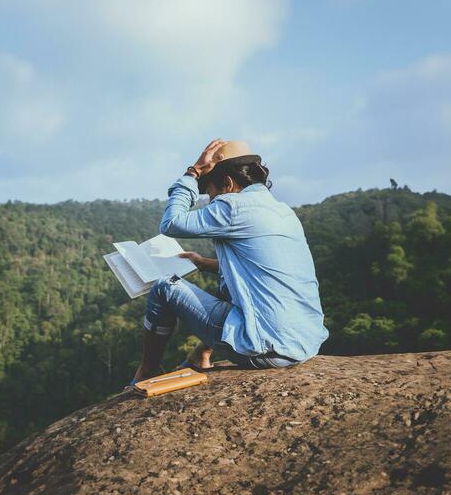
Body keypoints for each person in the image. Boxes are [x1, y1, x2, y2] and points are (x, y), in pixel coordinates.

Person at [131, 139, 328, 384]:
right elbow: (257, 271)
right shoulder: (282, 210)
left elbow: (171, 223)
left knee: (163, 288)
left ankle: (147, 372)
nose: (211, 201)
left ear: (227, 183)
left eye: (211, 193)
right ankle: (200, 354)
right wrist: (204, 263)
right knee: (232, 282)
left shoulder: (232, 206)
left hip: (267, 348)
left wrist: (192, 173)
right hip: (305, 341)